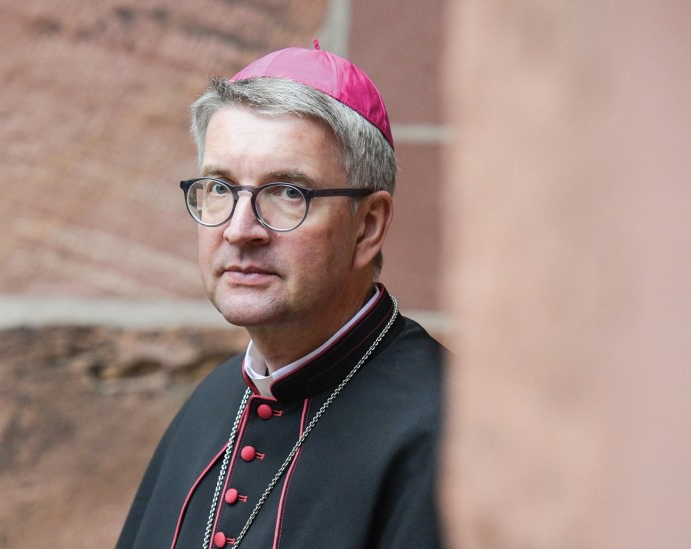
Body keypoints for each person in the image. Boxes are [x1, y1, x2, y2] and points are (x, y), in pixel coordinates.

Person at [117, 44, 445, 548]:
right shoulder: (213, 400)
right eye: (220, 188)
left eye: (289, 192)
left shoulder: (444, 429)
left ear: (368, 227)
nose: (240, 230)